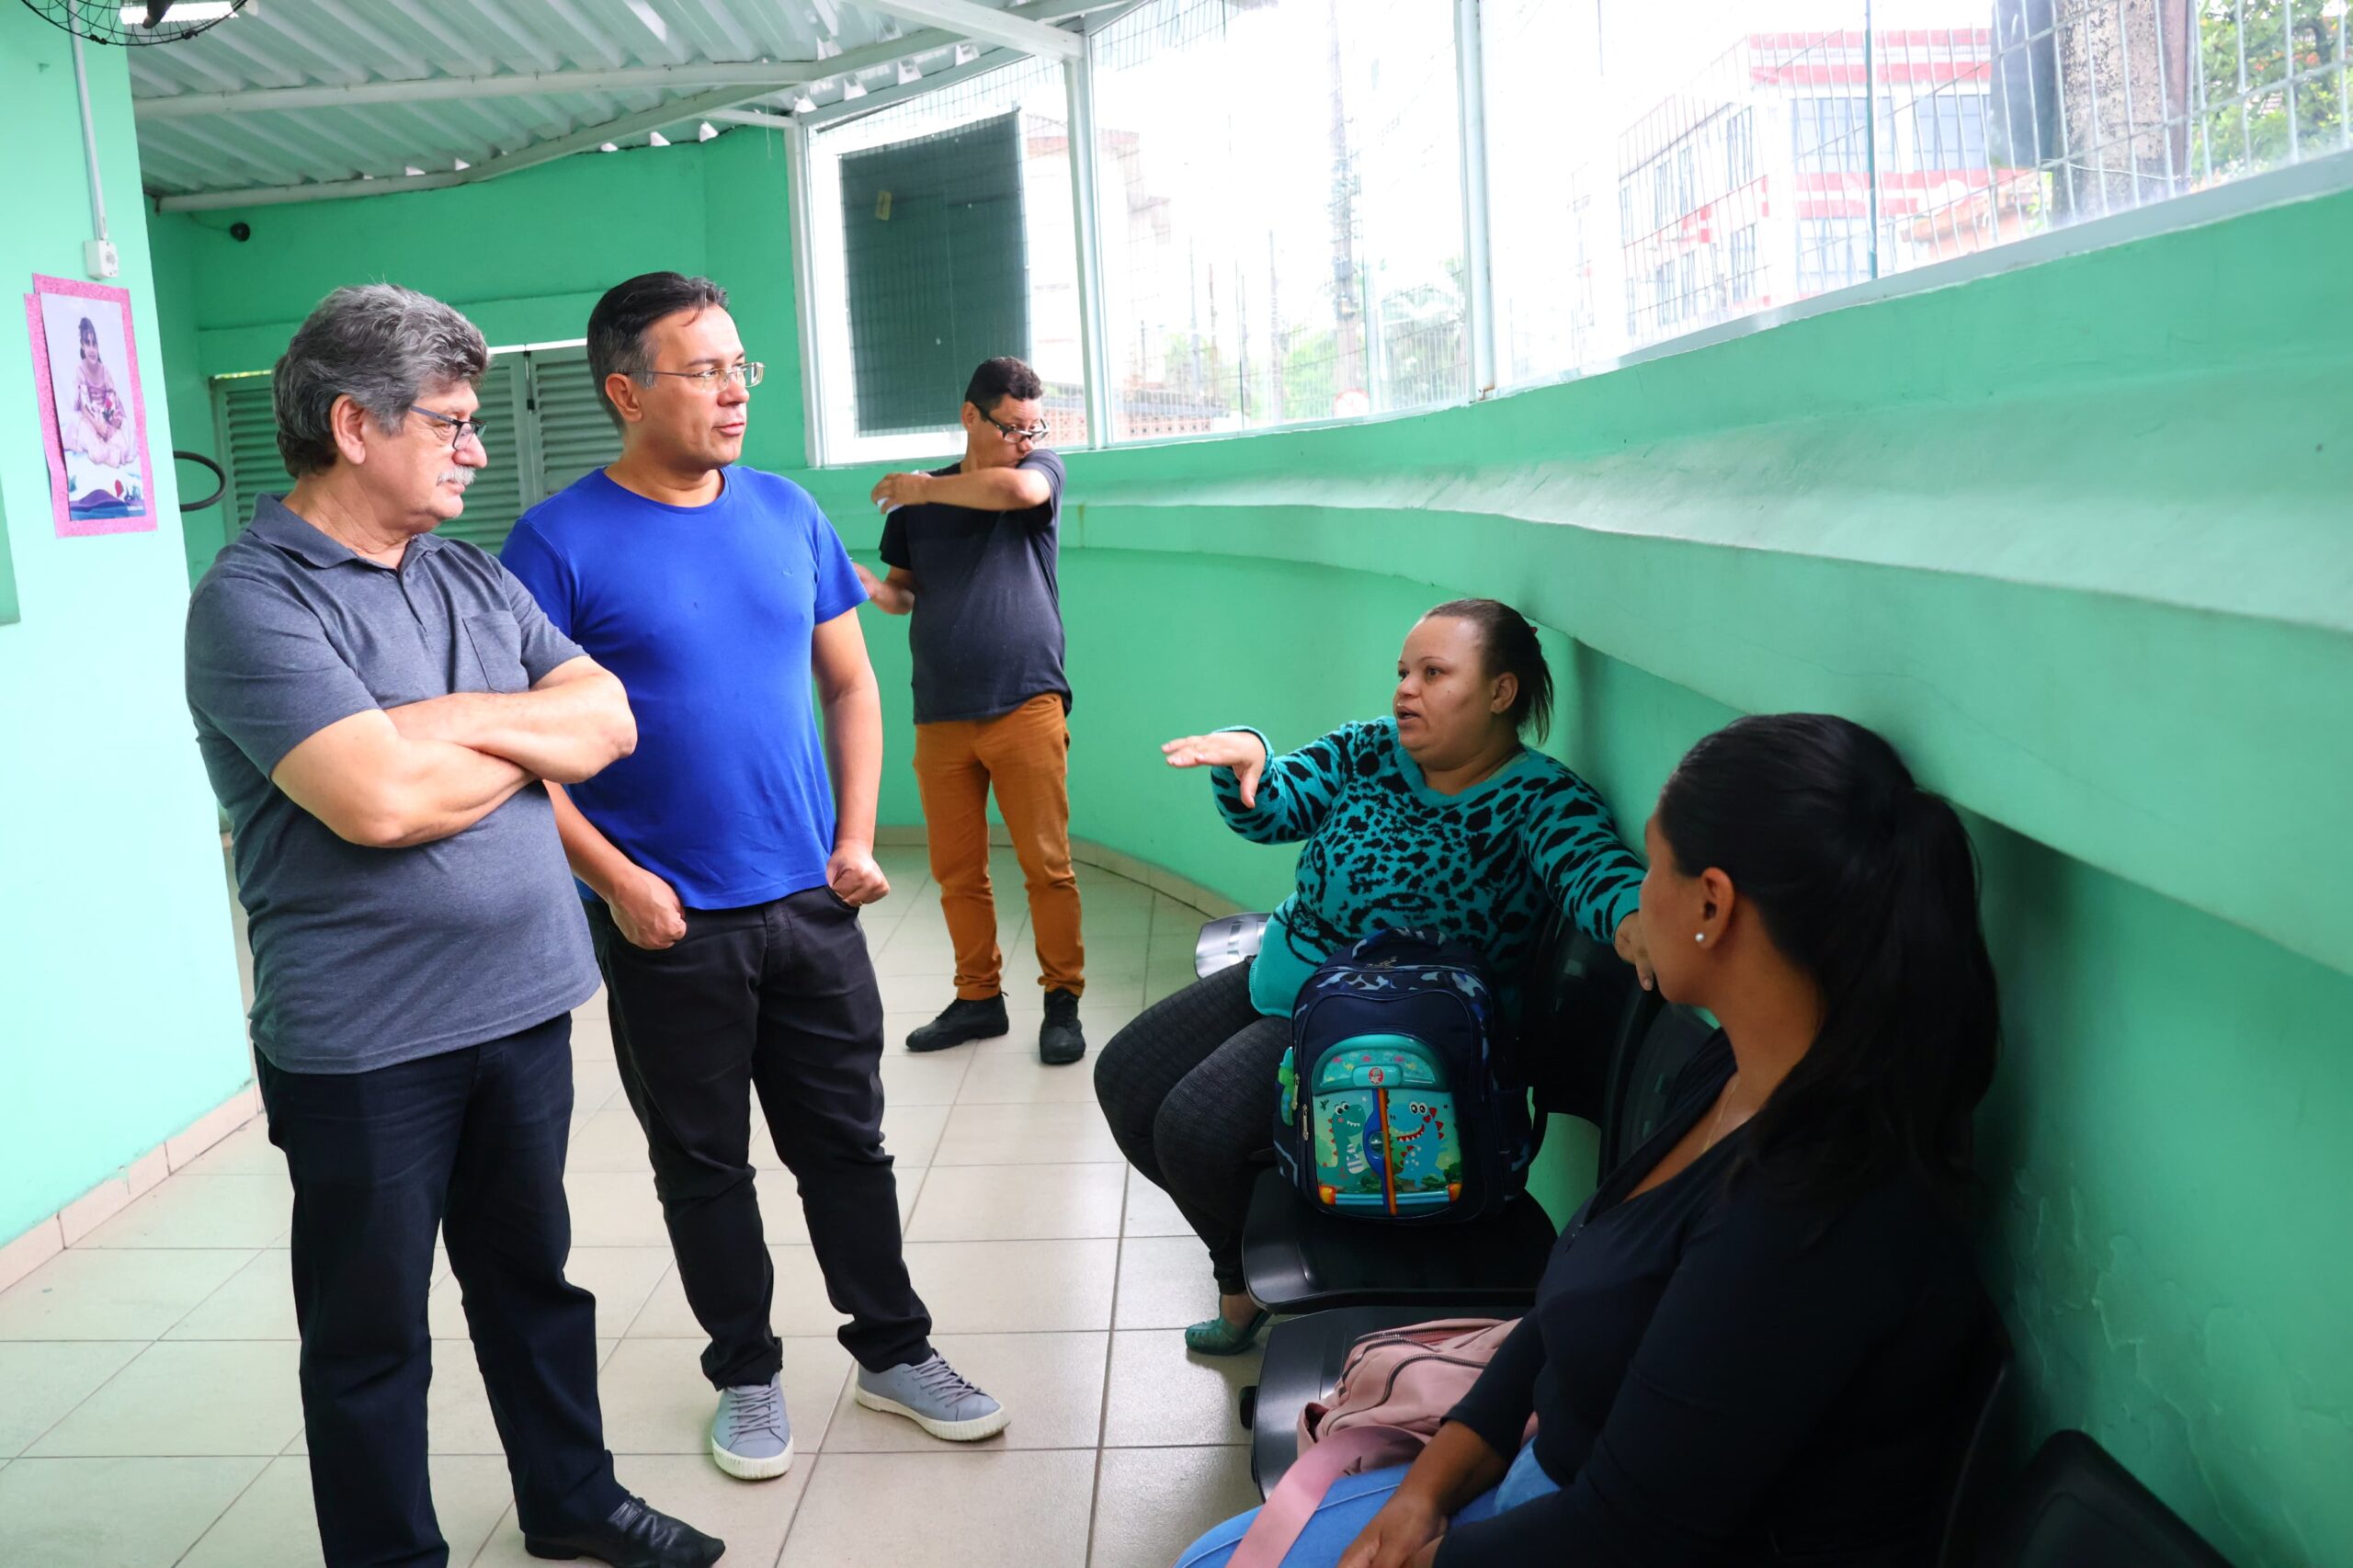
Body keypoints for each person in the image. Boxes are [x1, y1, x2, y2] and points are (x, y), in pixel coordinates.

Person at [1173, 711, 2002, 1568]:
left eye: (1654, 866)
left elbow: (1626, 1534)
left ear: (1711, 905)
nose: (1640, 892)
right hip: (1545, 1485)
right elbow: (1557, 1316)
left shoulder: (1810, 1217)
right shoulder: (1731, 1068)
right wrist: (1423, 1494)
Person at [183, 285, 722, 1568]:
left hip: (522, 1003)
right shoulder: (255, 602)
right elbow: (375, 803)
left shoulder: (468, 573)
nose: (476, 450)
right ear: (354, 425)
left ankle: (572, 1499)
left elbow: (608, 719)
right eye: (452, 422)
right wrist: (519, 737)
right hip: (366, 1041)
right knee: (370, 1334)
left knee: (535, 1283)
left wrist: (436, 727)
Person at [501, 272, 1007, 1489]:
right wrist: (618, 882)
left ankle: (894, 1350)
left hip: (810, 902)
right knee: (705, 1163)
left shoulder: (786, 511)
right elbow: (520, 749)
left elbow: (852, 681)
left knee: (848, 1144)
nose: (734, 392)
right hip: (669, 921)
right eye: (705, 370)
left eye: (741, 367)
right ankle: (747, 1371)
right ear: (626, 391)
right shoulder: (555, 542)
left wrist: (854, 836)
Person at [1094, 600, 1653, 1355]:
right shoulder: (1368, 751)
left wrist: (1634, 918)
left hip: (1393, 1032)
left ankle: (1252, 1281)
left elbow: (1595, 871)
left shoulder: (1539, 800)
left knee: (1193, 1131)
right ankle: (1255, 1247)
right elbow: (1275, 808)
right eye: (1403, 672)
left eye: (1434, 673)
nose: (1405, 690)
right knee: (1126, 1078)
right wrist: (1247, 760)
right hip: (1290, 977)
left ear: (1501, 692)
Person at [855, 356, 1087, 1065]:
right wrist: (869, 587)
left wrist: (924, 489)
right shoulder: (918, 504)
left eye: (1033, 426)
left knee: (1047, 867)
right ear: (969, 415)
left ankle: (1062, 1001)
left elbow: (1017, 490)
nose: (1025, 439)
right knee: (957, 873)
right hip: (941, 712)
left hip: (1026, 701)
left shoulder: (1038, 470)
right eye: (1011, 425)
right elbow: (904, 592)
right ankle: (978, 998)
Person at [67, 315, 134, 467]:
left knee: (125, 441)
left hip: (105, 417)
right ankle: (103, 452)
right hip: (90, 418)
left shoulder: (105, 371)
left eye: (94, 344)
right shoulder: (80, 369)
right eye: (88, 343)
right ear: (82, 346)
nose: (92, 349)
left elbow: (110, 401)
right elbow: (84, 406)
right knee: (79, 427)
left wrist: (111, 421)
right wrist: (97, 425)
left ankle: (111, 451)